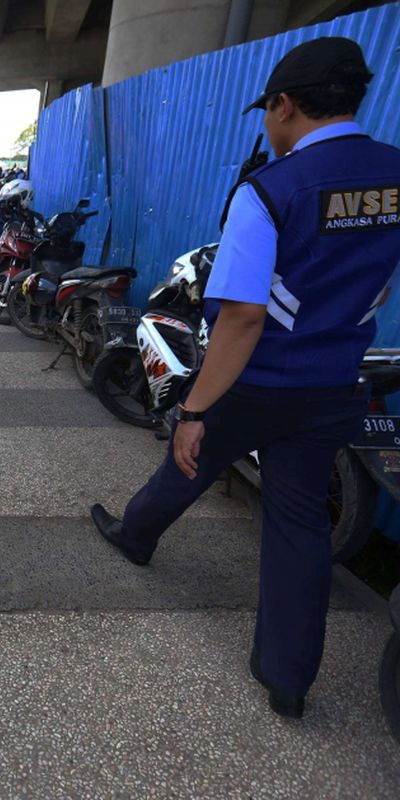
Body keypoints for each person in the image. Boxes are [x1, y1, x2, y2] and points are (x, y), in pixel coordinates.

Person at [89, 37, 400, 719]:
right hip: (336, 383)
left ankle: (135, 536)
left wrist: (195, 407)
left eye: (269, 111)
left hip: (259, 382)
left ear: (285, 106)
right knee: (297, 522)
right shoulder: (394, 174)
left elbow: (241, 320)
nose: (268, 124)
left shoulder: (272, 188)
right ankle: (287, 679)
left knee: (189, 459)